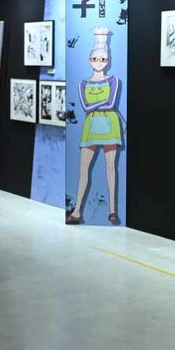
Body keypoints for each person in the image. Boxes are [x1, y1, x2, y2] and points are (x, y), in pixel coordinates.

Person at [67, 28, 123, 224]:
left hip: (110, 126)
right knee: (83, 169)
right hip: (90, 127)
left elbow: (111, 104)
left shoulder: (114, 80)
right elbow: (85, 107)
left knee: (111, 167)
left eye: (103, 59)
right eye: (95, 59)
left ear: (107, 61)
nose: (99, 62)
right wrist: (102, 104)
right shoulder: (83, 83)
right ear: (89, 60)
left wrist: (96, 105)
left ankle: (112, 210)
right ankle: (77, 211)